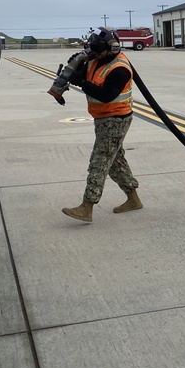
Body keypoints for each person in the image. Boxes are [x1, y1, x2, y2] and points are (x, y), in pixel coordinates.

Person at [61, 28, 143, 223]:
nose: (93, 52)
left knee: (100, 161)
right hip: (102, 118)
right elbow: (88, 76)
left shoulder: (120, 68)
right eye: (92, 48)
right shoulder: (96, 59)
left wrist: (81, 82)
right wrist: (76, 68)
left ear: (110, 48)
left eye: (97, 49)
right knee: (115, 161)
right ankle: (133, 199)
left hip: (116, 119)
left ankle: (87, 206)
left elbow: (106, 95)